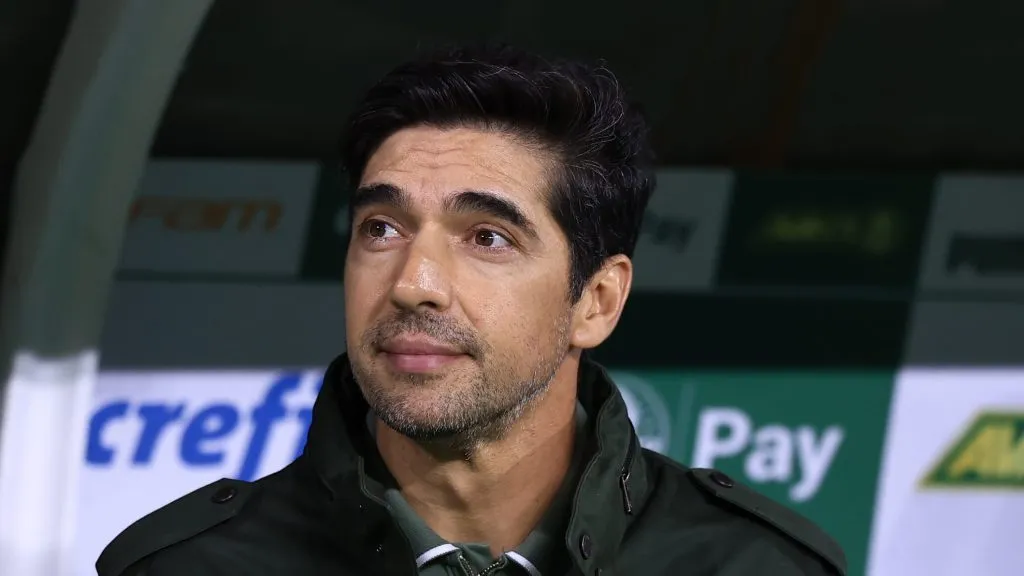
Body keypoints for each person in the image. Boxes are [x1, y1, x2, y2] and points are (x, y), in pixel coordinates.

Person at [96, 43, 846, 576]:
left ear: (597, 300)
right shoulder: (190, 565)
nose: (413, 282)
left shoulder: (755, 563)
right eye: (381, 229)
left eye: (487, 237)